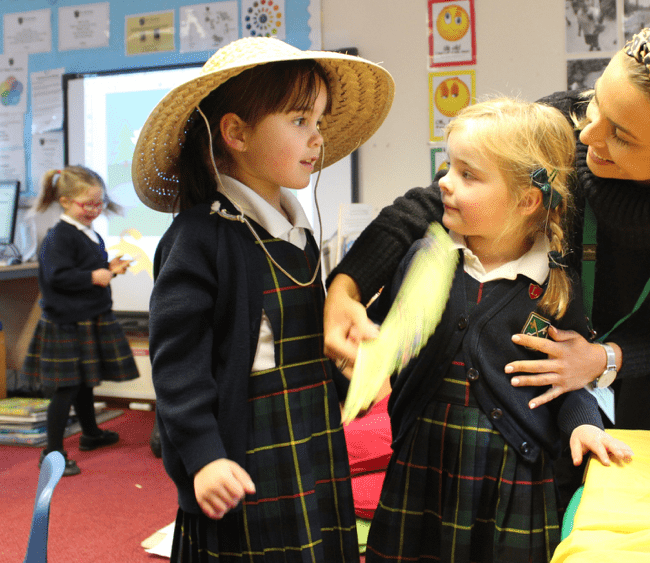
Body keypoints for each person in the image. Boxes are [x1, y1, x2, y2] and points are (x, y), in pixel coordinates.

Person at [325, 11, 650, 439]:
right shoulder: (561, 124)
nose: (588, 135)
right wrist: (347, 287)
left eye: (620, 135)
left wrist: (601, 359)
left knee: (640, 464)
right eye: (597, 102)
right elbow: (434, 203)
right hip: (573, 313)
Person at [134, 37, 393, 562]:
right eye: (300, 121)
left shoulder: (295, 232)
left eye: (319, 122)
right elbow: (178, 368)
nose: (317, 139)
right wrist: (205, 458)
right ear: (236, 133)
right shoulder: (200, 237)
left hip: (313, 428)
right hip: (248, 444)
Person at [364, 98, 632, 562]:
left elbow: (564, 383)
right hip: (422, 468)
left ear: (527, 200)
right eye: (450, 167)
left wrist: (585, 425)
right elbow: (377, 339)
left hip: (513, 480)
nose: (444, 184)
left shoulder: (555, 286)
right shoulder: (423, 259)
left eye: (468, 175)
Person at [23, 166, 138, 476]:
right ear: (64, 201)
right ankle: (53, 451)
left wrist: (108, 267)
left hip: (87, 318)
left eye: (99, 203)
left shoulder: (88, 233)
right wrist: (94, 276)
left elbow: (87, 268)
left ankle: (91, 433)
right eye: (87, 204)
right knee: (66, 388)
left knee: (86, 382)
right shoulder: (59, 236)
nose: (95, 210)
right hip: (66, 323)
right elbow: (57, 276)